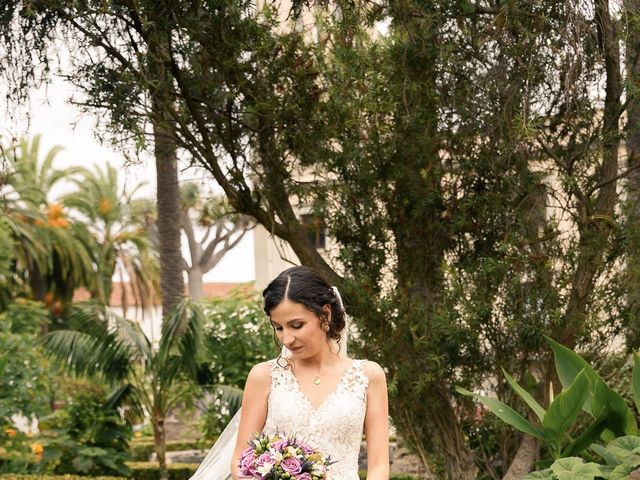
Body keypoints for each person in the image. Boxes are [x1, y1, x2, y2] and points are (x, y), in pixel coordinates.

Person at [229, 265, 390, 480]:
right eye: (278, 327)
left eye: (297, 325)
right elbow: (241, 460)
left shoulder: (369, 376)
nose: (286, 339)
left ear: (325, 314)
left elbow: (379, 465)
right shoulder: (264, 376)